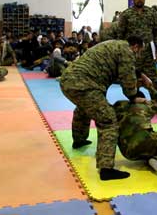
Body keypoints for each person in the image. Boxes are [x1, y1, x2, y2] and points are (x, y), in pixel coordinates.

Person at [59, 37, 144, 181]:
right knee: (108, 121)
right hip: (85, 84)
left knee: (84, 109)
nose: (138, 54)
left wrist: (139, 76)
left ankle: (79, 140)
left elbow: (112, 71)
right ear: (136, 46)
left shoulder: (113, 44)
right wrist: (134, 95)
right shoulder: (127, 50)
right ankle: (106, 169)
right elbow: (126, 77)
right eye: (139, 51)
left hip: (68, 80)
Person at [117, 0, 157, 117]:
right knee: (133, 80)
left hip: (148, 53)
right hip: (132, 53)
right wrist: (121, 53)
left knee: (154, 80)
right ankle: (135, 106)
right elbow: (120, 35)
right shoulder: (126, 14)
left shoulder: (151, 13)